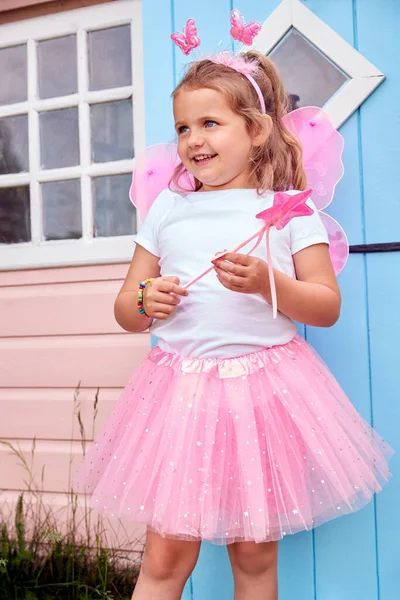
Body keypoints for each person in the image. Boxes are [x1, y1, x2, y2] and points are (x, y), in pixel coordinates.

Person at [75, 50, 392, 600]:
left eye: (210, 123)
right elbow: (126, 308)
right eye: (182, 128)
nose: (194, 139)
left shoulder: (290, 211)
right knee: (166, 553)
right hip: (179, 396)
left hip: (262, 397)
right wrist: (150, 299)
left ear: (255, 129)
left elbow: (325, 305)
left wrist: (271, 282)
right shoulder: (167, 211)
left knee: (253, 552)